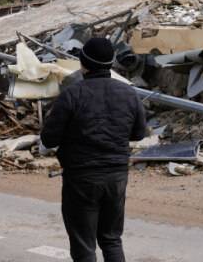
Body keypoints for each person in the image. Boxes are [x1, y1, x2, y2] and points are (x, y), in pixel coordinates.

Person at [41, 37, 147, 262]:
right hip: (117, 176)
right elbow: (138, 133)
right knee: (111, 239)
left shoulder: (72, 94)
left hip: (82, 177)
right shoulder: (129, 93)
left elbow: (49, 139)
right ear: (111, 63)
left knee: (84, 245)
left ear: (83, 63)